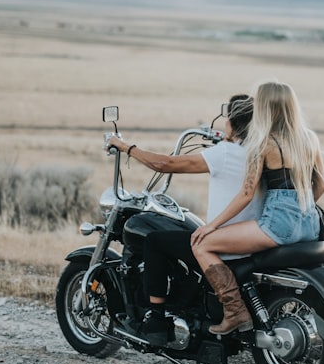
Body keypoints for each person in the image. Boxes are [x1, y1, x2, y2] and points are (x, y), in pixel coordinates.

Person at [105, 94, 263, 345]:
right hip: (253, 239)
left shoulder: (225, 154)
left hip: (225, 244)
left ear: (231, 123)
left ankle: (156, 321)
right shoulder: (262, 153)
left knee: (156, 241)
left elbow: (164, 163)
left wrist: (127, 148)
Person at [190, 80, 324, 335]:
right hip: (309, 224)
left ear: (264, 107)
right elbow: (321, 186)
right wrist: (297, 211)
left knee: (202, 244)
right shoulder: (309, 139)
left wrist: (211, 226)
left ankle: (235, 313)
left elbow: (246, 194)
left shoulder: (263, 143)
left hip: (277, 227)